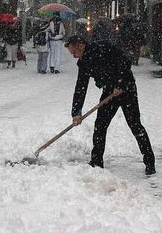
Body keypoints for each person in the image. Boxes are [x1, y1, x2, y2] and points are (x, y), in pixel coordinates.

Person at [65, 35, 156, 175]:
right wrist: (76, 112)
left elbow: (124, 62)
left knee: (135, 125)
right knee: (100, 125)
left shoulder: (104, 48)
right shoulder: (83, 63)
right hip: (109, 93)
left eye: (74, 52)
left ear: (81, 45)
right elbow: (80, 87)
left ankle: (150, 162)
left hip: (126, 88)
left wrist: (120, 84)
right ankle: (96, 162)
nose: (74, 56)